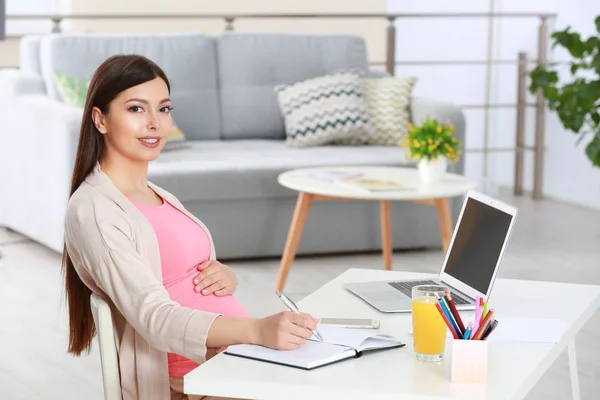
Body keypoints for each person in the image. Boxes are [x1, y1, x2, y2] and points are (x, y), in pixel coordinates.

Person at [62, 54, 319, 400]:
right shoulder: (93, 210)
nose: (154, 123)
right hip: (192, 384)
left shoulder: (156, 194)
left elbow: (180, 273)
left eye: (164, 109)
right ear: (101, 119)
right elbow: (154, 316)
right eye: (136, 109)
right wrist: (257, 330)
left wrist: (223, 276)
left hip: (231, 362)